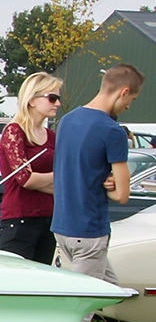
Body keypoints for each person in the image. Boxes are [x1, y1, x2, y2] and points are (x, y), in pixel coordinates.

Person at [52, 63, 144, 297]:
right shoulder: (112, 131)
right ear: (123, 92)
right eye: (130, 99)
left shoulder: (67, 121)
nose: (128, 106)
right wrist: (108, 186)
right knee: (81, 304)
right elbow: (122, 195)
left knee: (112, 290)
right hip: (89, 229)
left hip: (62, 227)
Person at [0, 72, 61, 264]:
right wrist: (57, 178)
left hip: (48, 217)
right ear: (32, 100)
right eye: (52, 98)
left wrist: (45, 181)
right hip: (19, 219)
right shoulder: (14, 131)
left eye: (58, 98)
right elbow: (24, 178)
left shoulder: (51, 136)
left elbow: (57, 181)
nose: (57, 103)